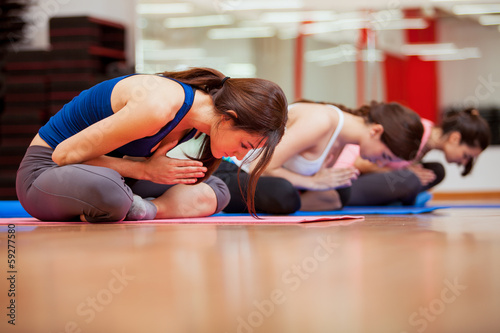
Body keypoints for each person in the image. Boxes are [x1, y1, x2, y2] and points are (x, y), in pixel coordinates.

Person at [16, 68, 288, 222]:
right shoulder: (159, 106)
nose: (240, 154)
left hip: (109, 173)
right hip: (45, 171)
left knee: (214, 187)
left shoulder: (196, 119)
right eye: (244, 144)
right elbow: (65, 155)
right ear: (230, 119)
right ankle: (123, 205)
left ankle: (145, 210)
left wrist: (147, 170)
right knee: (110, 192)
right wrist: (145, 170)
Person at [213, 100, 424, 214]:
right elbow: (263, 166)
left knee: (342, 189)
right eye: (385, 155)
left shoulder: (343, 136)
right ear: (376, 131)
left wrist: (318, 183)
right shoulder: (321, 120)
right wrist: (313, 182)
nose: (381, 163)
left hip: (265, 182)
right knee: (284, 193)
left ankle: (292, 204)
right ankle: (290, 204)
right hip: (233, 173)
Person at [346, 108, 491, 206]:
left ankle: (400, 197)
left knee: (437, 171)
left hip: (371, 181)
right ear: (454, 138)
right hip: (348, 183)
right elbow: (361, 163)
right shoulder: (416, 135)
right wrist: (404, 172)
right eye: (466, 155)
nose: (464, 162)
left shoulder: (428, 137)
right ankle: (400, 198)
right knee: (410, 179)